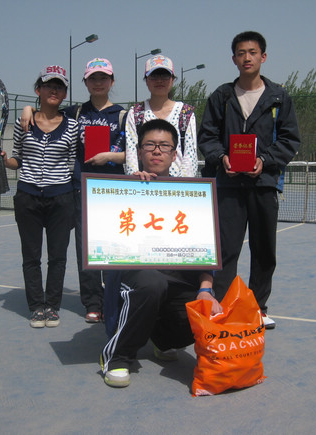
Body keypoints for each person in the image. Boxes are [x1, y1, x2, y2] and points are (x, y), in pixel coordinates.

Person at [100, 119, 223, 388]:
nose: (157, 151)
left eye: (164, 146)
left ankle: (164, 339)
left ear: (174, 153)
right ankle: (118, 356)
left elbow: (205, 255)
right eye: (150, 145)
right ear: (139, 151)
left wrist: (206, 290)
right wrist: (132, 189)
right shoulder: (119, 190)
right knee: (152, 283)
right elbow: (103, 240)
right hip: (135, 278)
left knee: (208, 305)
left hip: (176, 279)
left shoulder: (191, 196)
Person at [198, 31, 301, 329]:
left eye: (252, 52)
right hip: (228, 185)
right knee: (226, 250)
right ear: (234, 59)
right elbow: (207, 136)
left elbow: (289, 139)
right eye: (241, 53)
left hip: (263, 185)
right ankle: (222, 305)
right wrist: (222, 158)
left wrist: (264, 161)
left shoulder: (279, 97)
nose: (247, 58)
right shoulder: (221, 96)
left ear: (263, 57)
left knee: (264, 249)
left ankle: (258, 307)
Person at [20, 58, 127, 324]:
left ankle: (113, 299)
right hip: (81, 189)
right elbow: (47, 113)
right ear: (85, 83)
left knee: (115, 249)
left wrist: (110, 157)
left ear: (112, 81)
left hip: (114, 192)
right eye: (93, 78)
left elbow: (134, 152)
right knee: (85, 249)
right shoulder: (74, 113)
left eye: (103, 78)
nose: (98, 83)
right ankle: (92, 302)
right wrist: (27, 109)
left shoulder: (124, 116)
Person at [0, 65, 77, 328]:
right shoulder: (24, 123)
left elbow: (72, 162)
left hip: (61, 198)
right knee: (31, 256)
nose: (54, 90)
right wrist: (4, 160)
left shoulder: (73, 126)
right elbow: (17, 158)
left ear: (64, 94)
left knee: (58, 257)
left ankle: (52, 306)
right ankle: (36, 307)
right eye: (49, 85)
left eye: (59, 86)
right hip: (28, 197)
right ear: (38, 90)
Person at [124, 55, 198, 178]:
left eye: (164, 76)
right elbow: (131, 151)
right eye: (154, 76)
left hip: (176, 185)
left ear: (172, 79)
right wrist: (136, 179)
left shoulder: (185, 112)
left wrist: (181, 184)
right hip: (144, 182)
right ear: (146, 80)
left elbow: (190, 155)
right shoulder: (136, 112)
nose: (159, 81)